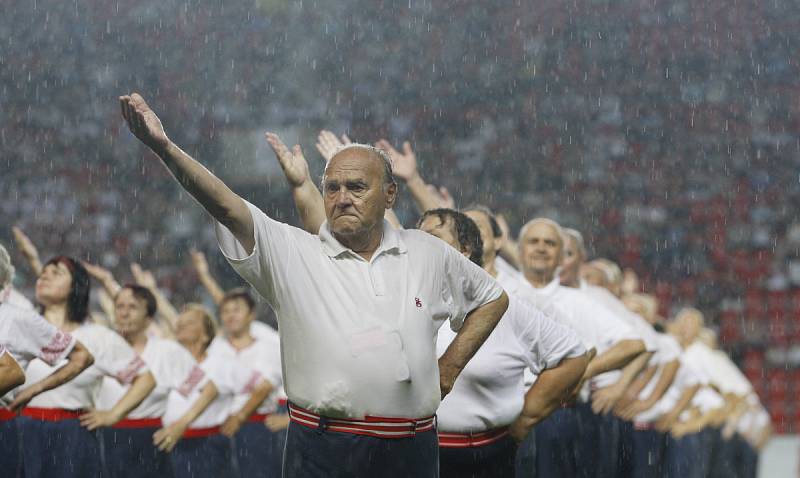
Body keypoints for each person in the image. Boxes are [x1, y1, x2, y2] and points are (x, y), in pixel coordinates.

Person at [119, 92, 508, 477]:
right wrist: (165, 148)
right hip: (323, 448)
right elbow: (225, 205)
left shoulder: (427, 252)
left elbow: (492, 298)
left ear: (390, 194)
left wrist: (449, 369)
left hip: (413, 448)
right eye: (332, 188)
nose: (342, 198)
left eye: (357, 187)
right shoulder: (293, 252)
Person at [418, 208, 589, 478]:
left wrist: (525, 420)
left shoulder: (505, 305)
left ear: (465, 250)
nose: (421, 245)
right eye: (417, 238)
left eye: (432, 237)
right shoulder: (405, 301)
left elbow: (573, 355)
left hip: (487, 457)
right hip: (416, 453)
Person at [499, 218, 646, 478]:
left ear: (561, 259)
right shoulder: (498, 290)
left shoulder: (580, 302)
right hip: (497, 414)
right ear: (518, 251)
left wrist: (579, 372)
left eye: (550, 243)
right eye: (534, 242)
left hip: (554, 418)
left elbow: (634, 344)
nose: (541, 248)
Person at [17, 256, 156, 478]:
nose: (45, 275)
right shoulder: (20, 329)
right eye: (43, 272)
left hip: (73, 437)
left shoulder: (98, 337)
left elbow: (145, 379)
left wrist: (112, 415)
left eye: (57, 272)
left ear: (76, 287)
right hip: (20, 431)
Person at [0, 244, 95, 476]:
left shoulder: (18, 316)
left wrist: (34, 389)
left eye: (57, 272)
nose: (46, 276)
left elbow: (81, 356)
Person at [95, 285, 206, 478]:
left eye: (133, 307)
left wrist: (181, 425)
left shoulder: (167, 352)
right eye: (120, 307)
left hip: (149, 439)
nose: (124, 313)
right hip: (104, 438)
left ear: (148, 318)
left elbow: (208, 389)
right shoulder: (100, 347)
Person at [155, 304, 272, 478]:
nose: (181, 324)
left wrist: (240, 417)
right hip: (168, 442)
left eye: (191, 322)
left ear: (205, 335)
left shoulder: (221, 364)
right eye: (181, 322)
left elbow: (264, 386)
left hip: (206, 446)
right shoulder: (169, 364)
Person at [206, 289, 284, 478]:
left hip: (256, 426)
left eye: (237, 310)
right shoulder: (216, 348)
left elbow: (265, 387)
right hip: (219, 426)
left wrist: (240, 417)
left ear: (251, 315)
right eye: (225, 311)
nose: (230, 315)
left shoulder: (268, 346)